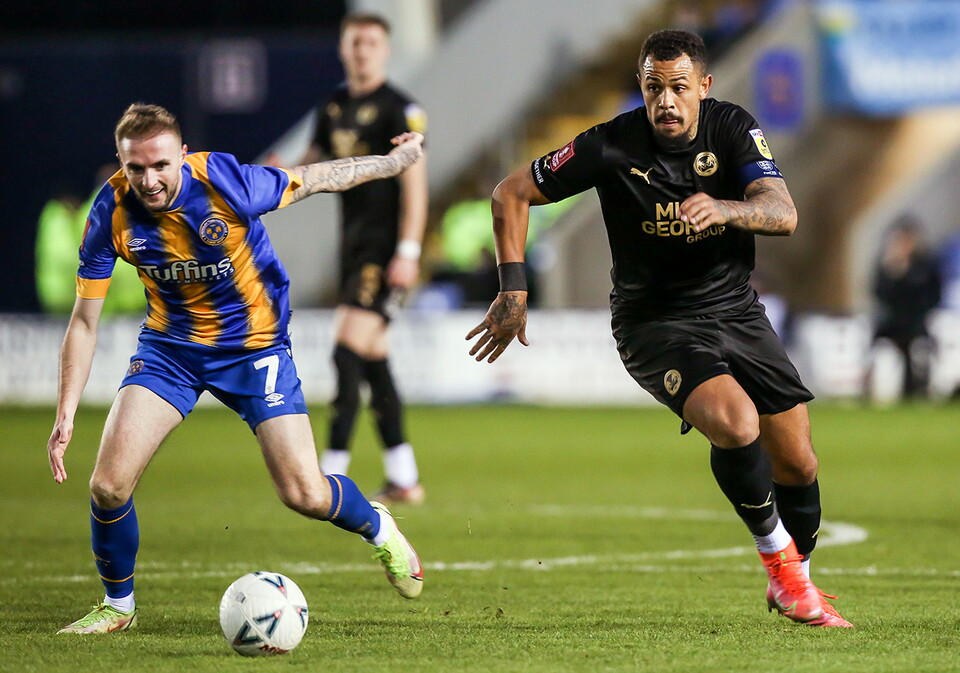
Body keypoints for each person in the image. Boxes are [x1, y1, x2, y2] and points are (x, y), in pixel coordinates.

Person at [466, 30, 852, 628]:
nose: (665, 102)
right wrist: (513, 289)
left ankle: (792, 575)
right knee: (735, 421)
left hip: (737, 312)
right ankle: (784, 571)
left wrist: (726, 208)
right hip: (655, 324)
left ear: (704, 87)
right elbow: (510, 193)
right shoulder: (612, 145)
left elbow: (783, 212)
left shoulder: (731, 128)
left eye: (677, 88)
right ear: (642, 89)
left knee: (799, 464)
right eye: (653, 88)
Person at [48, 103, 425, 635]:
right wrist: (66, 412)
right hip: (170, 349)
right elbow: (84, 322)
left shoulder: (226, 182)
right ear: (121, 162)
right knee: (108, 486)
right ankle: (118, 607)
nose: (149, 180)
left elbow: (317, 177)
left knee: (305, 495)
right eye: (135, 168)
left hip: (255, 348)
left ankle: (377, 526)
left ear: (182, 155)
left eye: (160, 165)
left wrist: (391, 163)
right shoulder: (108, 211)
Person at [279, 13, 428, 505]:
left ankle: (329, 475)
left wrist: (408, 251)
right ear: (343, 49)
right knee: (373, 361)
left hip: (384, 253)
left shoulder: (400, 108)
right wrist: (270, 176)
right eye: (354, 42)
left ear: (384, 50)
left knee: (346, 350)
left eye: (370, 42)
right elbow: (311, 165)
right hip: (352, 248)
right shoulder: (333, 106)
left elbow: (415, 184)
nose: (361, 50)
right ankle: (404, 478)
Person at [870, 217, 941, 399]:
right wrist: (894, 273)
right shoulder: (888, 265)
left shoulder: (924, 265)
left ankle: (920, 390)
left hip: (916, 322)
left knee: (919, 350)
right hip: (893, 322)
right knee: (881, 349)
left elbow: (931, 294)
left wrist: (906, 275)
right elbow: (880, 293)